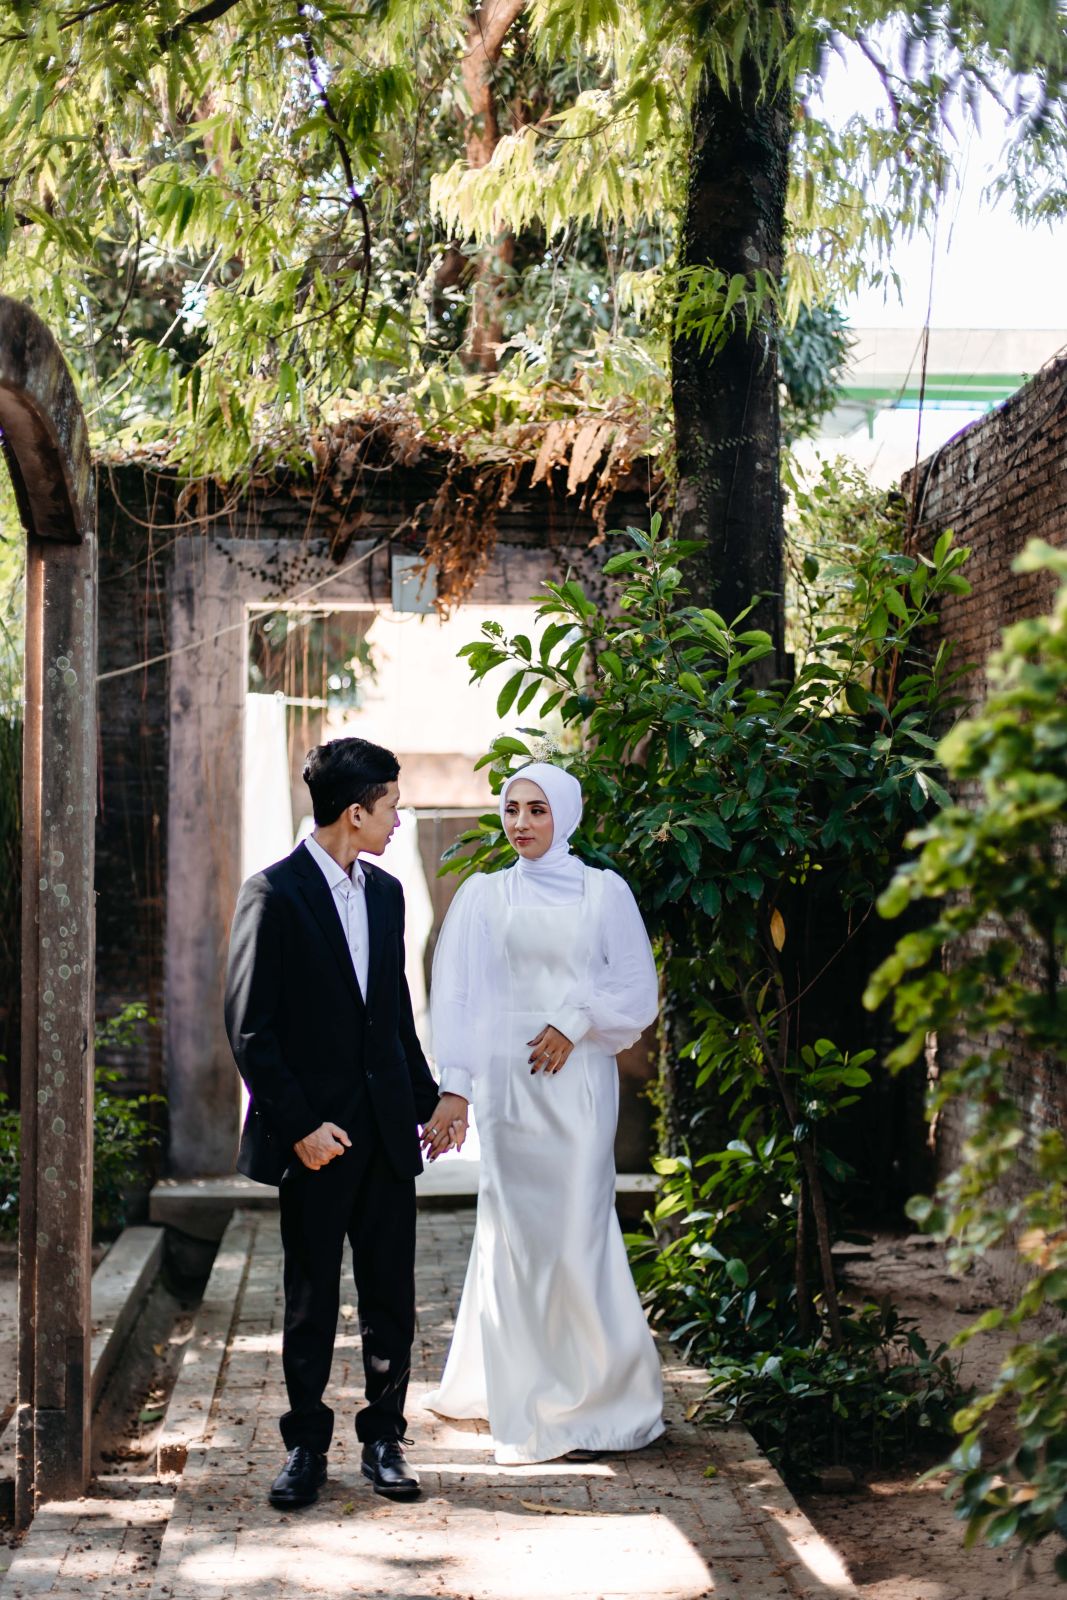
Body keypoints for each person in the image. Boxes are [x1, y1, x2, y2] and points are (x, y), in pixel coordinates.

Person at [224, 736, 469, 1509]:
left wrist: (431, 1100)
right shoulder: (272, 893)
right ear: (354, 812)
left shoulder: (388, 894)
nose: (399, 818)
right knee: (311, 1299)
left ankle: (384, 1440)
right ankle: (304, 1447)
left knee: (391, 1294)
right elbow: (251, 1028)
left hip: (387, 1132)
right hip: (316, 1142)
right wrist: (299, 1126)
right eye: (391, 805)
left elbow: (391, 1015)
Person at [424, 762, 664, 1464]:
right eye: (512, 809)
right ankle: (520, 1394)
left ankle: (597, 1396)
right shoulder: (484, 895)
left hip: (578, 1087)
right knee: (516, 1235)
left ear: (565, 814)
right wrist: (456, 1087)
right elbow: (459, 996)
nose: (521, 822)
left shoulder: (604, 892)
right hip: (509, 1089)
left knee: (576, 1232)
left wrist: (574, 1018)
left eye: (537, 809)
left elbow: (636, 990)